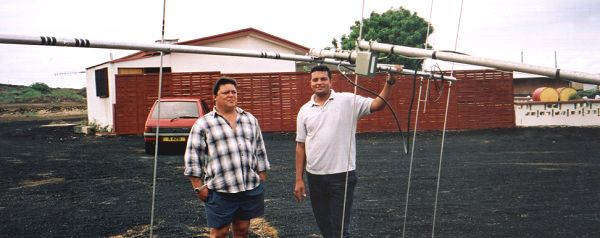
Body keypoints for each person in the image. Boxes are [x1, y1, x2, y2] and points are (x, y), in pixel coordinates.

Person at [294, 65, 399, 237]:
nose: (319, 82)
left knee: (340, 229)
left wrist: (390, 81)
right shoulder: (305, 110)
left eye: (323, 79)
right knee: (324, 226)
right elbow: (300, 145)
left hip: (341, 176)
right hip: (314, 176)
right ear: (310, 83)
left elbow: (377, 104)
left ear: (330, 81)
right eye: (315, 79)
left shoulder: (347, 101)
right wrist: (299, 179)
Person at [184, 77, 270, 238]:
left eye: (234, 92)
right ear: (215, 96)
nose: (231, 95)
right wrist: (198, 186)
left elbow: (259, 149)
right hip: (220, 189)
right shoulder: (204, 124)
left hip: (248, 187)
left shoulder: (250, 120)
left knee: (243, 227)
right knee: (219, 232)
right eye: (225, 92)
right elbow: (193, 156)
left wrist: (262, 176)